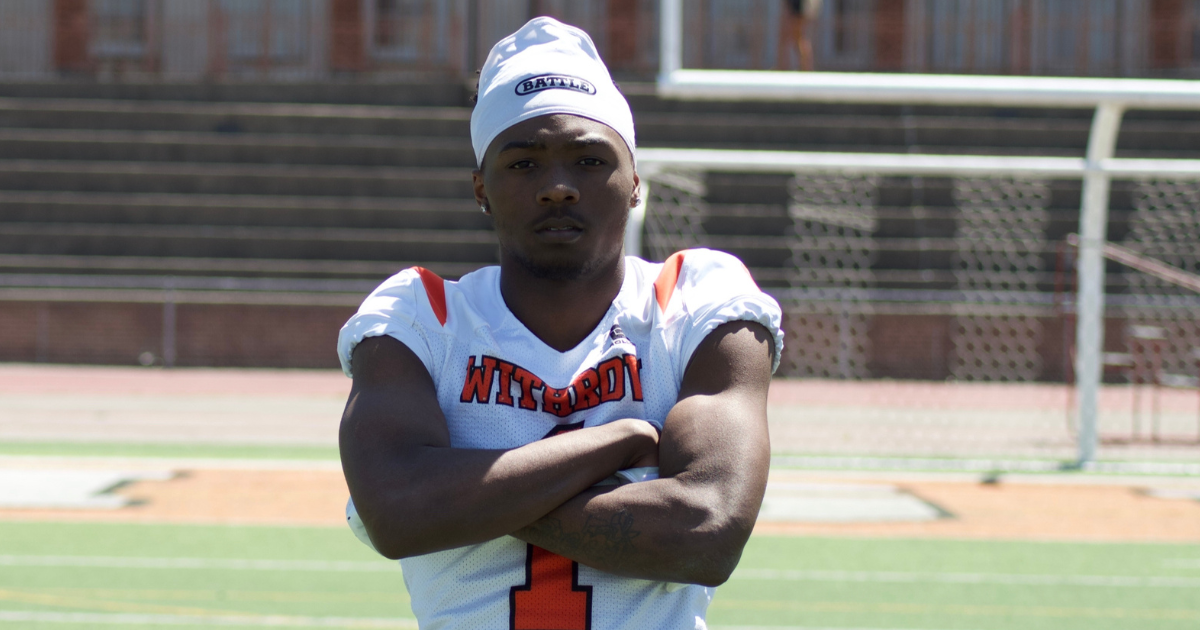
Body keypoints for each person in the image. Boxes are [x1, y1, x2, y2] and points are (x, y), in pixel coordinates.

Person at [337, 17, 783, 630]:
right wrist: (619, 441)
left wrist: (456, 493)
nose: (557, 188)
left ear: (634, 184)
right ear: (480, 189)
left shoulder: (695, 300)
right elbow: (397, 512)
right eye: (522, 164)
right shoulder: (421, 314)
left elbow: (704, 530)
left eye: (589, 158)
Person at [777, 0, 821, 71]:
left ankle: (805, 68)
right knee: (793, 37)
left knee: (799, 37)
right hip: (798, 6)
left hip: (799, 6)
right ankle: (785, 67)